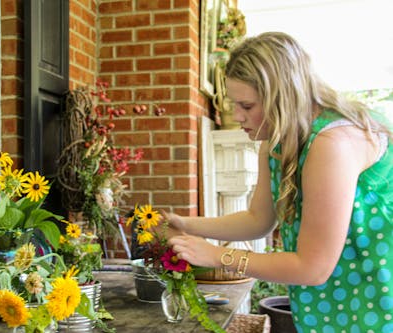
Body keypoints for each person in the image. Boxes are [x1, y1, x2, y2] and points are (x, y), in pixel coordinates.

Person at [164, 32, 392, 332]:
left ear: (282, 98)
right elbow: (259, 219)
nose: (237, 115)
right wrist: (186, 224)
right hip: (337, 298)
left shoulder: (331, 143)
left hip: (377, 297)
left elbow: (313, 267)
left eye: (247, 106)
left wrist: (218, 256)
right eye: (235, 104)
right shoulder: (275, 142)